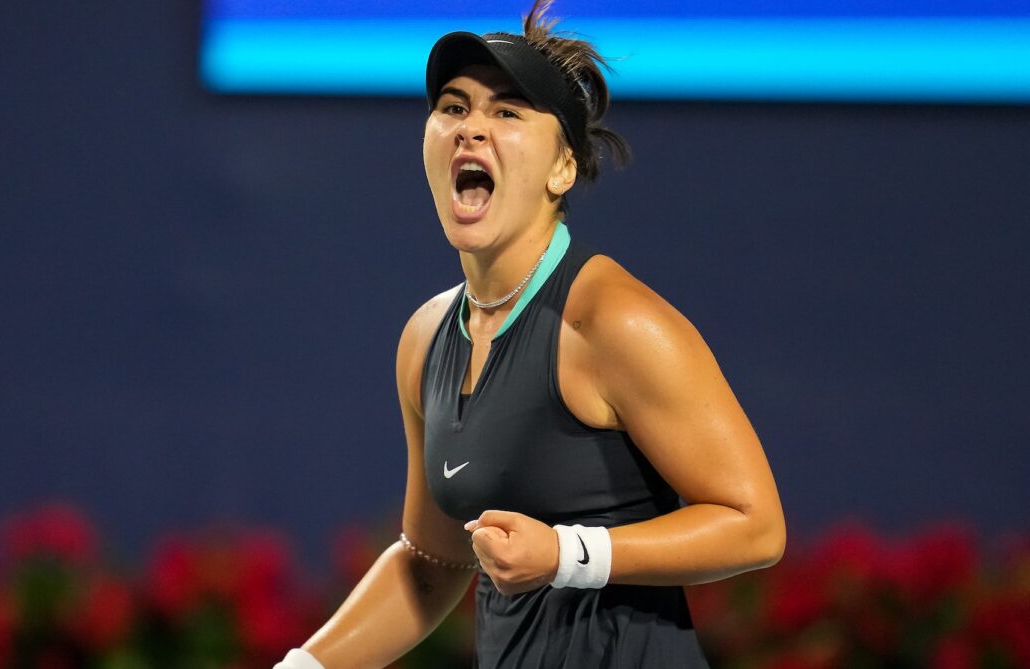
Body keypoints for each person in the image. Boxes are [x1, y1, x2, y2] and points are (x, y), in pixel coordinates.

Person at [275, 2, 785, 667]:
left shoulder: (612, 322)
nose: (470, 129)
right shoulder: (427, 339)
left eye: (507, 112)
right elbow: (431, 564)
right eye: (453, 108)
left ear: (562, 169)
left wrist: (569, 555)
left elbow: (756, 524)